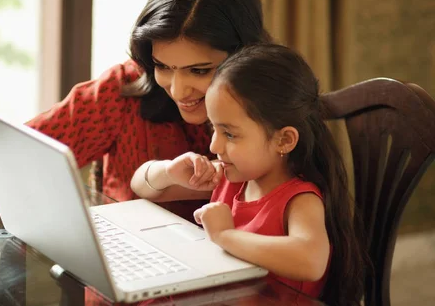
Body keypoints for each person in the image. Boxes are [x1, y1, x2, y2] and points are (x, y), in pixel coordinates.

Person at [0, 0, 273, 242]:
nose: (178, 90)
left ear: (244, 55)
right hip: (127, 279)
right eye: (163, 66)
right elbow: (1, 153)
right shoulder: (122, 90)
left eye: (199, 70)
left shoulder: (277, 99)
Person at [131, 44, 366, 306]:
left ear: (284, 140)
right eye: (213, 128)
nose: (213, 146)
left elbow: (311, 262)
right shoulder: (230, 177)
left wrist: (225, 236)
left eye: (229, 134)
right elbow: (141, 186)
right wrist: (169, 171)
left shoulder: (299, 199)